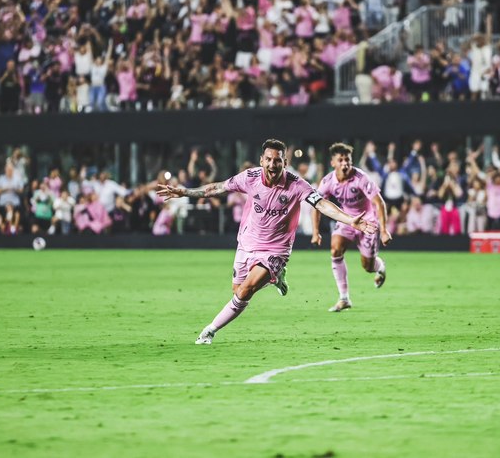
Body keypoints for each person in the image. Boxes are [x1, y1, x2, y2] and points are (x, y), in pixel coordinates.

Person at [156, 139, 377, 345]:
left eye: (278, 160)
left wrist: (351, 221)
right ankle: (277, 279)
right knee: (237, 290)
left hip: (276, 250)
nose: (273, 164)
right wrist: (185, 191)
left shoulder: (296, 185)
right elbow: (217, 188)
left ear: (285, 162)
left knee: (246, 290)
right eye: (269, 159)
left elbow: (321, 204)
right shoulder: (250, 177)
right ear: (262, 160)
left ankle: (210, 331)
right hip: (246, 243)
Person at [311, 143, 392, 313]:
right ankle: (344, 298)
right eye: (340, 160)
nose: (345, 163)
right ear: (333, 163)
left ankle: (380, 266)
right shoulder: (327, 181)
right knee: (335, 250)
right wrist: (315, 232)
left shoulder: (361, 178)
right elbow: (316, 205)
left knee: (368, 267)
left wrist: (384, 230)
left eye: (347, 159)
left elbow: (379, 203)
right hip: (347, 220)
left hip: (367, 222)